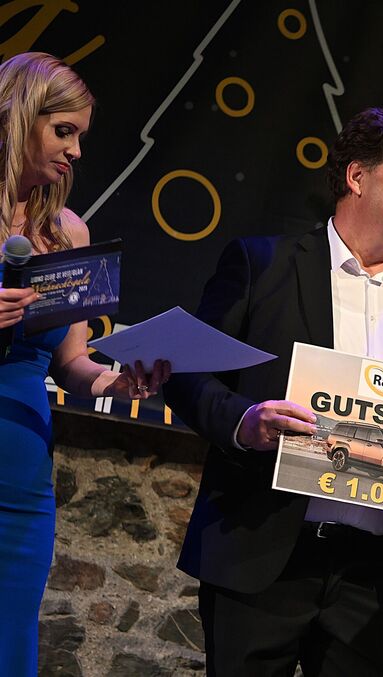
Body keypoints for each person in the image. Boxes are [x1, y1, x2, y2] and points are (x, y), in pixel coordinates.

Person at [163, 105, 383, 676]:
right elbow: (187, 374)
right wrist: (245, 423)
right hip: (264, 552)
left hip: (376, 579)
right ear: (357, 177)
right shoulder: (262, 264)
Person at [0, 52, 169, 676]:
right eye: (63, 131)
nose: (75, 151)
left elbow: (72, 360)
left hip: (19, 475)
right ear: (19, 117)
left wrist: (114, 381)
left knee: (8, 640)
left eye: (80, 137)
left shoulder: (68, 232)